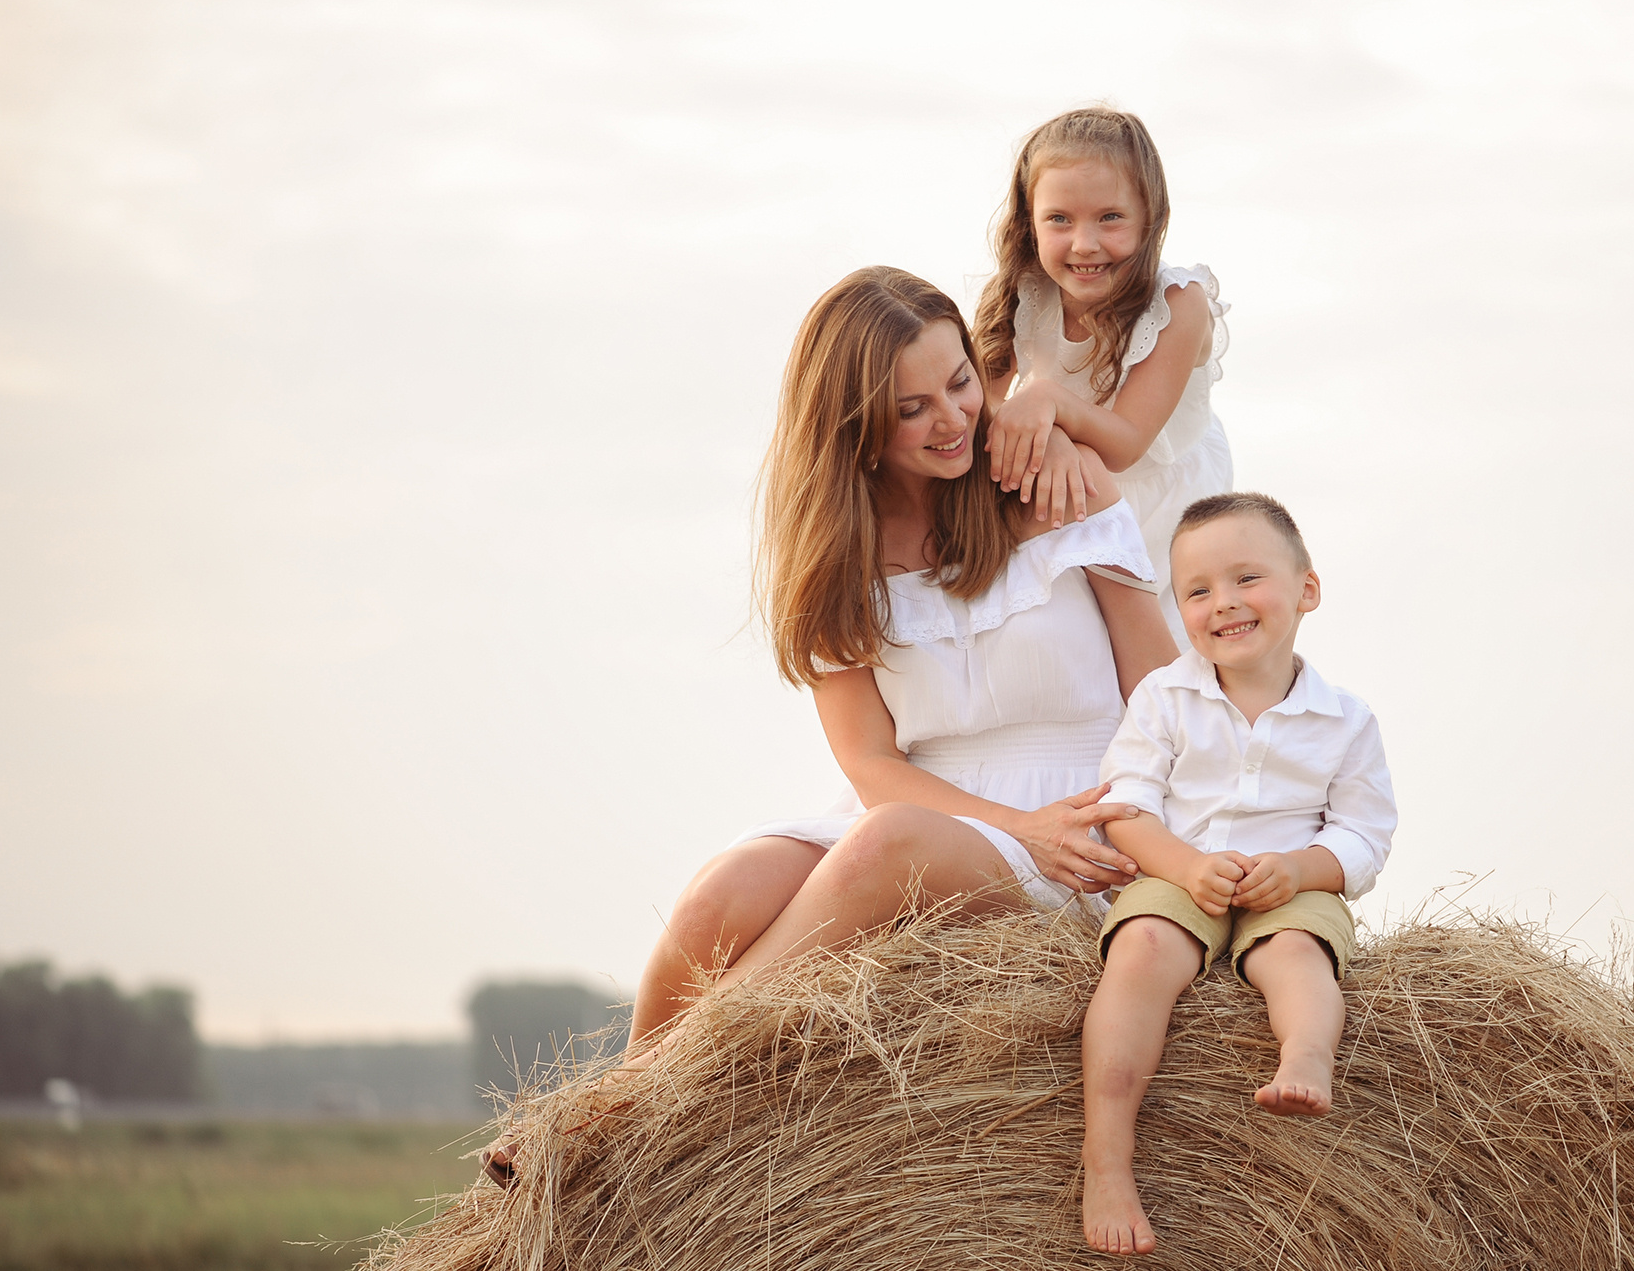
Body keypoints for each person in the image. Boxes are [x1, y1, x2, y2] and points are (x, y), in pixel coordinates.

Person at [482, 265, 1178, 1187]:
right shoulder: (838, 559)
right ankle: (640, 1168)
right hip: (938, 808)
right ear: (854, 426)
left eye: (962, 382)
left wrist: (1119, 831)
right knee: (722, 894)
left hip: (1082, 816)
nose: (954, 417)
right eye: (913, 407)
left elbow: (1167, 695)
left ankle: (622, 1107)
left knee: (888, 845)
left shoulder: (1057, 487)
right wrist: (1013, 829)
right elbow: (869, 763)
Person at [1077, 493, 1398, 1256]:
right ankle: (1106, 1153)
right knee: (1142, 949)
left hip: (1290, 887)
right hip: (1176, 872)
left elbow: (1364, 833)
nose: (1224, 603)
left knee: (1296, 955)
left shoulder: (1345, 721)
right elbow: (1124, 806)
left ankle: (1307, 1056)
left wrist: (1298, 869)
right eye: (1197, 590)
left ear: (1306, 590)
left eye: (1246, 578)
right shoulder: (1164, 698)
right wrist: (1185, 866)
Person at [973, 106, 1234, 644]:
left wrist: (1049, 402)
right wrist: (1054, 444)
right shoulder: (1025, 290)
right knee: (1075, 645)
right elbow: (974, 406)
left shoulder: (1177, 305)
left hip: (1165, 500)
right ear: (1030, 222)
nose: (1085, 243)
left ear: (1150, 218)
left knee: (1165, 658)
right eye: (1059, 219)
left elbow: (1126, 444)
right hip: (1068, 483)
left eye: (1110, 218)